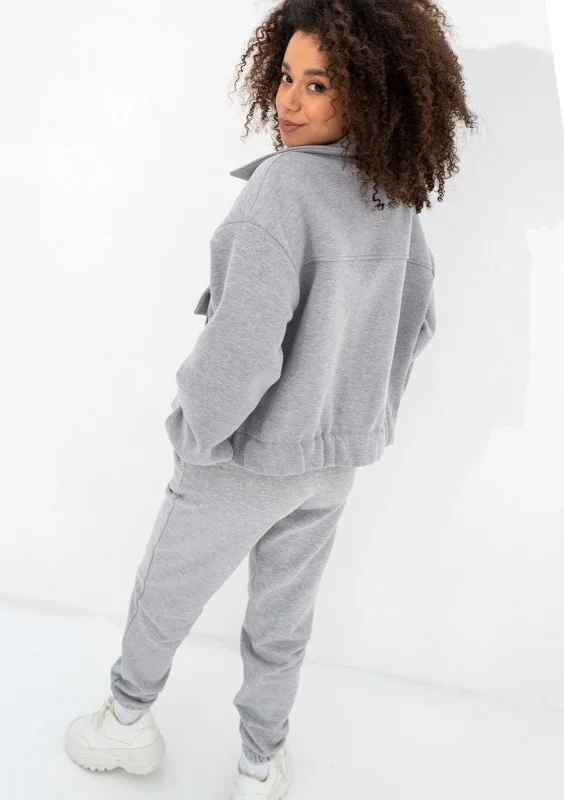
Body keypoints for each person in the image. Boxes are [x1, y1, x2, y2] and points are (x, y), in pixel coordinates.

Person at [64, 1, 478, 798]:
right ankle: (261, 763)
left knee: (167, 587)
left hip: (246, 455)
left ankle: (124, 724)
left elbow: (243, 345)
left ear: (371, 90)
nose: (289, 100)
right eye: (286, 77)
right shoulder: (394, 196)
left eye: (318, 84)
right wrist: (356, 411)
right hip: (331, 468)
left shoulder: (282, 190)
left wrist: (196, 429)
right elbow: (418, 321)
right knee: (283, 618)